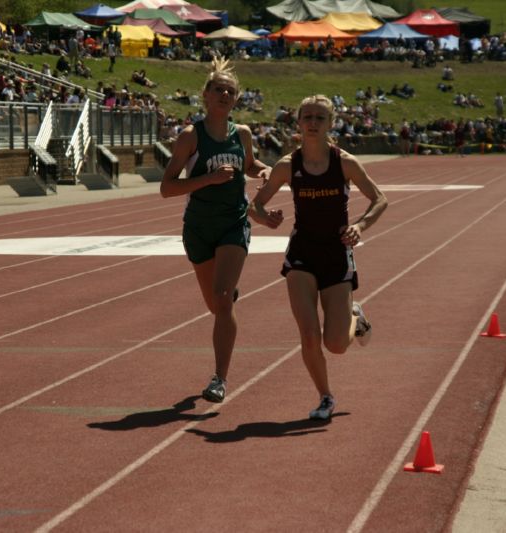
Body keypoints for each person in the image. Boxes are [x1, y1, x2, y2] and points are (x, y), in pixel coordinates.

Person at [248, 95, 388, 420]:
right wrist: (265, 218)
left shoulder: (345, 162)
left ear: (331, 123)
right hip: (302, 254)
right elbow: (254, 205)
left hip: (337, 254)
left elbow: (380, 199)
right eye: (307, 117)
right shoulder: (287, 166)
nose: (312, 122)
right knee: (309, 335)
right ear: (298, 123)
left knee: (336, 344)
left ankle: (356, 317)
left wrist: (360, 225)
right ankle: (325, 397)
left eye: (320, 118)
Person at [160, 57, 270, 403]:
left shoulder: (243, 134)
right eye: (218, 89)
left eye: (230, 91)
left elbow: (249, 165)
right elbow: (167, 187)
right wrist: (208, 179)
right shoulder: (190, 137)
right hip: (198, 229)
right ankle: (225, 296)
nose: (224, 94)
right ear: (205, 95)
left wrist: (266, 171)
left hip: (233, 224)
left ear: (236, 100)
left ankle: (219, 378)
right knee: (216, 304)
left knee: (222, 301)